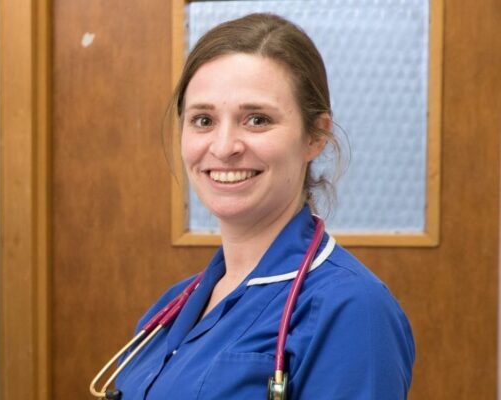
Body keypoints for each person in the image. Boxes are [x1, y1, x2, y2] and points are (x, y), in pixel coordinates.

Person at [101, 13, 415, 399]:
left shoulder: (351, 310)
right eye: (203, 120)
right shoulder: (170, 310)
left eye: (256, 119)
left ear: (316, 137)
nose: (224, 147)